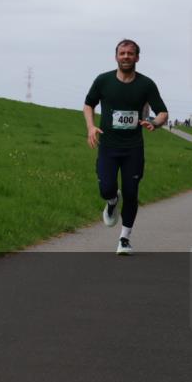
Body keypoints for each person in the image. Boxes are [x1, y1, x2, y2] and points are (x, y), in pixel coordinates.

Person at [83, 39, 168, 255]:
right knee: (106, 188)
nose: (126, 57)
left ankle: (124, 239)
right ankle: (112, 201)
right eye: (122, 53)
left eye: (130, 53)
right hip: (108, 146)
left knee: (131, 193)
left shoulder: (146, 84)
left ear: (137, 57)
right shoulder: (103, 80)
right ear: (116, 56)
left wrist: (156, 123)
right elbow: (89, 104)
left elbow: (162, 112)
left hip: (133, 148)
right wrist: (91, 127)